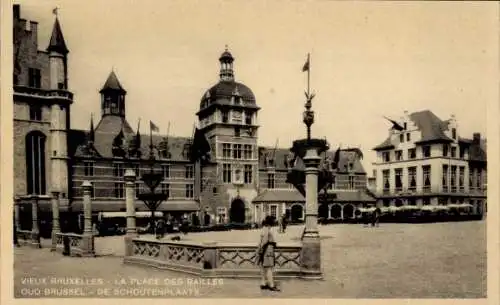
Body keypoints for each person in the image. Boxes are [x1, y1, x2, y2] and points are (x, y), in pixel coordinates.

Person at [256, 216, 280, 292]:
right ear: (269, 223)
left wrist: (260, 251)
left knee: (263, 268)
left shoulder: (264, 229)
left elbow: (261, 241)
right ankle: (271, 285)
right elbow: (265, 241)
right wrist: (262, 250)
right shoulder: (267, 230)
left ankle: (263, 283)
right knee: (269, 268)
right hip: (267, 250)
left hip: (264, 250)